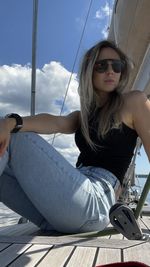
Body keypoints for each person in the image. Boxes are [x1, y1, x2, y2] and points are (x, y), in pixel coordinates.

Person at [0, 40, 150, 234]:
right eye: (102, 65)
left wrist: (10, 124)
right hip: (65, 205)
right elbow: (55, 123)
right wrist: (10, 122)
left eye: (117, 65)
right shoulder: (82, 116)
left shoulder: (134, 101)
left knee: (16, 138)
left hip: (95, 201)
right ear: (90, 71)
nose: (110, 71)